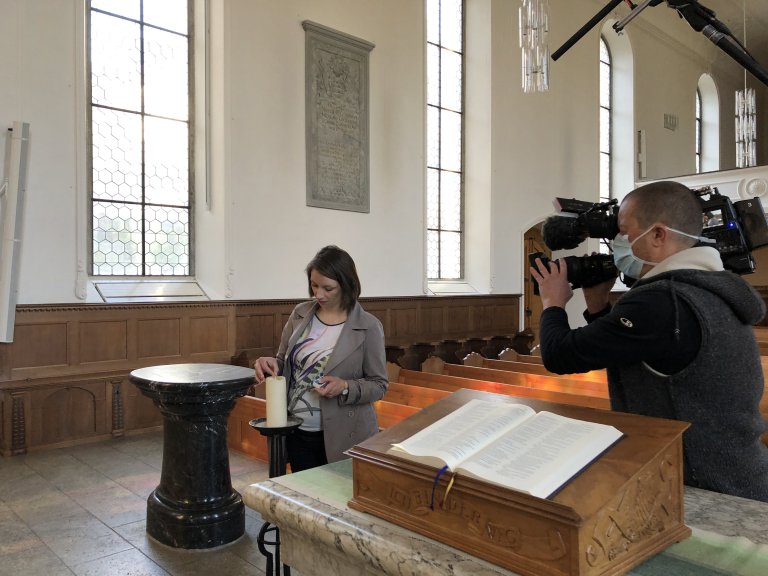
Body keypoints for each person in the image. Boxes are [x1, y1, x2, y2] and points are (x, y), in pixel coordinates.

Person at [530, 180, 768, 502]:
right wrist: (598, 308)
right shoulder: (708, 288)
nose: (618, 244)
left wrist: (553, 302)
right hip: (737, 473)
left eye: (624, 233)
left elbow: (559, 355)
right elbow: (637, 354)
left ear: (658, 234)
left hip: (701, 487)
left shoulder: (660, 301)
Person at [253, 245, 388, 472]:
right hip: (296, 428)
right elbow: (284, 361)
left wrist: (345, 386)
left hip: (343, 432)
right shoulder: (300, 313)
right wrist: (271, 363)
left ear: (346, 284)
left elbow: (379, 385)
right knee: (304, 500)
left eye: (328, 288)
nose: (319, 294)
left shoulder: (368, 326)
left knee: (336, 501)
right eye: (314, 285)